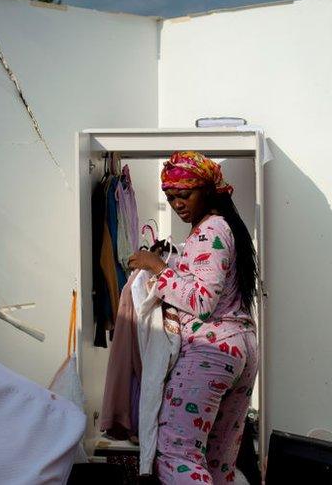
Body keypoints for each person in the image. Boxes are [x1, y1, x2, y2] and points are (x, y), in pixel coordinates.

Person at [127, 151, 259, 484]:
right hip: (241, 349)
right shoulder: (228, 228)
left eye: (184, 195)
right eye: (171, 198)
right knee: (218, 461)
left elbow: (201, 301)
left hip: (210, 353)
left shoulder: (208, 231)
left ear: (208, 189)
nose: (177, 204)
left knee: (177, 453)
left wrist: (157, 267)